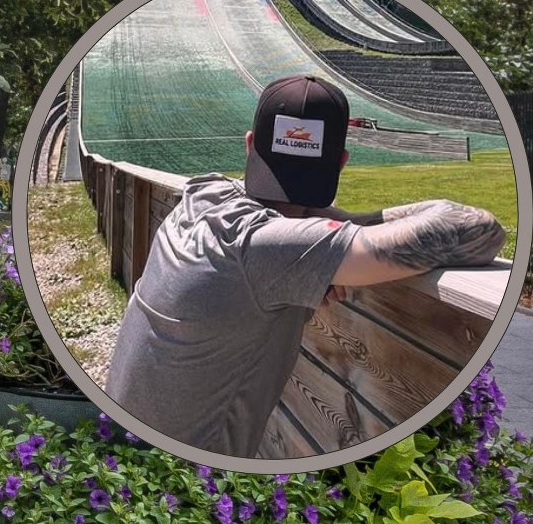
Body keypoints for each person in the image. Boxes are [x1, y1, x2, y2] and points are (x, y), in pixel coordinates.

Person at [104, 75, 506, 458]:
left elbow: (306, 232)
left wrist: (322, 254)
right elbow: (482, 230)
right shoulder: (270, 248)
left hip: (116, 443)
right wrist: (324, 249)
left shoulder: (205, 195)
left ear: (249, 145)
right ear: (342, 162)